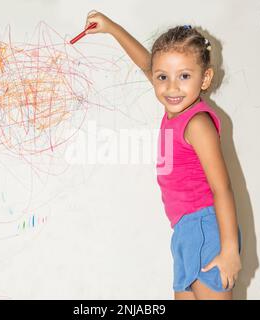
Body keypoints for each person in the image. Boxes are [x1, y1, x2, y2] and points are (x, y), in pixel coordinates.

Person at [83, 10, 242, 300]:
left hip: (206, 228)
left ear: (205, 78)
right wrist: (112, 28)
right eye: (162, 77)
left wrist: (230, 249)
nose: (171, 87)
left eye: (184, 76)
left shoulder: (197, 124)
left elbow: (222, 189)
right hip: (184, 231)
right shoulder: (175, 110)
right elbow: (146, 62)